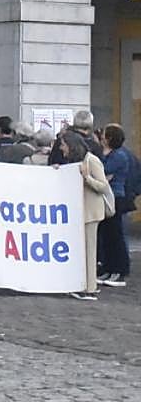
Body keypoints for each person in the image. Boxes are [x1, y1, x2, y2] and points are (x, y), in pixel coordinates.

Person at [56, 130, 109, 300]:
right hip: (80, 212)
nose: (61, 149)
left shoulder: (92, 161)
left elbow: (103, 186)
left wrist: (87, 177)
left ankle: (90, 288)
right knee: (83, 250)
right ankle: (83, 284)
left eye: (63, 145)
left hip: (91, 212)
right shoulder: (75, 161)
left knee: (89, 250)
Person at [98, 123, 133, 288]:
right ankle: (108, 267)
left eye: (104, 135)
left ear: (109, 138)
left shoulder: (119, 156)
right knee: (107, 235)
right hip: (106, 197)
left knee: (116, 235)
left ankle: (119, 271)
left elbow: (104, 173)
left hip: (115, 197)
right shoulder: (111, 154)